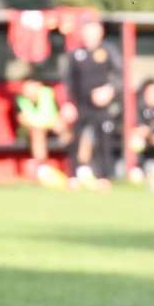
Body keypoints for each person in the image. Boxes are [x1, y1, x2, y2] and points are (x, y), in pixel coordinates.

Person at [63, 19, 120, 187]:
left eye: (93, 32)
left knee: (104, 140)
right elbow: (69, 81)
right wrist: (68, 103)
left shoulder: (108, 52)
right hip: (80, 105)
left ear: (100, 33)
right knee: (75, 140)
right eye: (86, 32)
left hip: (102, 107)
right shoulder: (75, 55)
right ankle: (73, 176)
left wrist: (109, 90)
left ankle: (104, 177)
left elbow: (119, 75)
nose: (89, 36)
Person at [14, 77, 68, 180]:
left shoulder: (48, 94)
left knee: (69, 131)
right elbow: (22, 120)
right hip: (29, 132)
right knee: (37, 132)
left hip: (50, 127)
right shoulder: (20, 99)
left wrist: (58, 124)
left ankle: (76, 167)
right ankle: (42, 168)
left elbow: (57, 114)